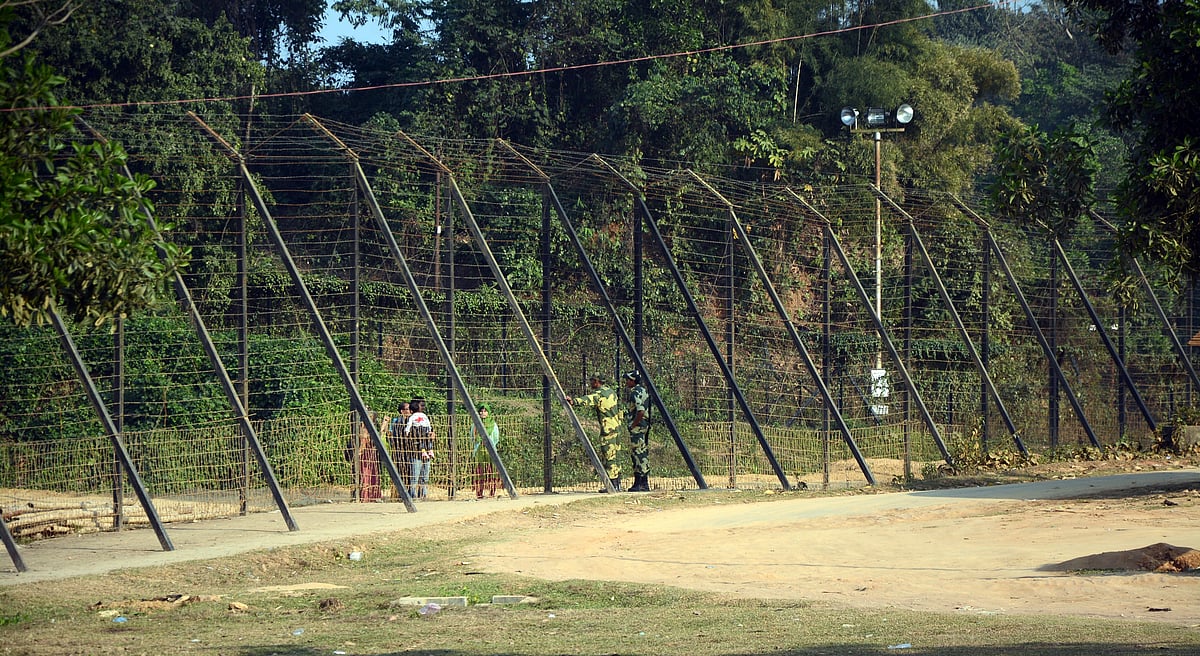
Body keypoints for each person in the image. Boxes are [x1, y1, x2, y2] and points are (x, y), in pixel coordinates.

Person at [568, 372, 623, 491]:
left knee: (609, 457)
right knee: (616, 456)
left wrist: (574, 401)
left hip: (608, 430)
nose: (591, 383)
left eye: (592, 381)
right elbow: (620, 409)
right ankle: (618, 483)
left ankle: (612, 486)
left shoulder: (600, 394)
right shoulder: (611, 392)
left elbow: (588, 399)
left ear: (597, 382)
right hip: (617, 428)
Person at [623, 370, 652, 492]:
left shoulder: (635, 392)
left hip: (638, 427)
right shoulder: (643, 390)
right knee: (642, 452)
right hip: (644, 425)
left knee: (638, 454)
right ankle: (642, 482)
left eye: (628, 379)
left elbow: (640, 411)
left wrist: (632, 424)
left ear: (633, 380)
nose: (627, 382)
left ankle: (640, 483)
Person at [405, 397, 435, 499]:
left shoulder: (425, 418)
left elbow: (430, 429)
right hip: (415, 452)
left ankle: (423, 495)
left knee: (425, 476)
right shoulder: (409, 419)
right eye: (421, 405)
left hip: (426, 447)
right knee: (414, 476)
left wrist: (431, 434)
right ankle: (412, 496)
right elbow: (407, 433)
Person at [470, 403, 501, 498]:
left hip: (490, 450)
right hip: (479, 451)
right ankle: (479, 493)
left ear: (488, 412)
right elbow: (472, 437)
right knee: (479, 471)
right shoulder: (475, 424)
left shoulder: (493, 424)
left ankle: (492, 492)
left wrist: (488, 443)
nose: (483, 413)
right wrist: (478, 441)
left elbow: (496, 438)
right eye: (481, 411)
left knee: (491, 471)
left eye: (485, 411)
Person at [387, 402, 412, 500]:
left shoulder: (412, 420)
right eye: (407, 409)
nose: (410, 411)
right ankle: (396, 495)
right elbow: (390, 434)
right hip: (398, 450)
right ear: (402, 411)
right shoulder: (395, 421)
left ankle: (408, 494)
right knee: (398, 472)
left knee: (410, 473)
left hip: (410, 451)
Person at [357, 411, 382, 502]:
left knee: (368, 474)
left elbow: (364, 441)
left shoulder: (366, 428)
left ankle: (367, 496)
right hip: (369, 454)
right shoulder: (368, 428)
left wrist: (360, 450)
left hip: (368, 454)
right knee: (369, 474)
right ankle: (370, 496)